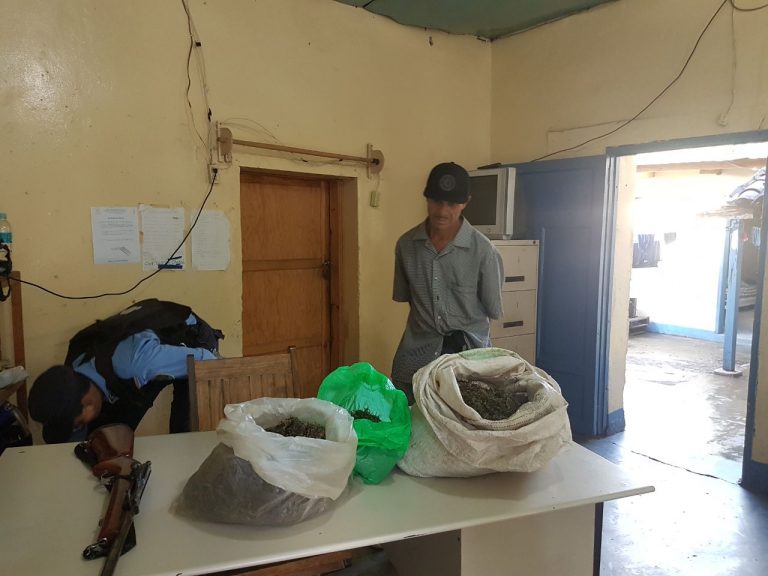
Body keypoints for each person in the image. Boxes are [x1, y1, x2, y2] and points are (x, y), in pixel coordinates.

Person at [28, 299, 223, 444]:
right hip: (138, 349)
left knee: (186, 430)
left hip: (190, 338)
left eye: (78, 424)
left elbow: (210, 364)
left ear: (87, 402)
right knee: (108, 435)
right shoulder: (73, 368)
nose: (78, 428)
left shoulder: (137, 364)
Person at [391, 162, 504, 403]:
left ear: (465, 203)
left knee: (467, 421)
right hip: (416, 361)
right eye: (436, 201)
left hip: (470, 364)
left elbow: (492, 309)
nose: (442, 211)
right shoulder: (406, 246)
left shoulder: (484, 251)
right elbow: (408, 298)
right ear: (426, 198)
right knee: (408, 419)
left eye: (452, 204)